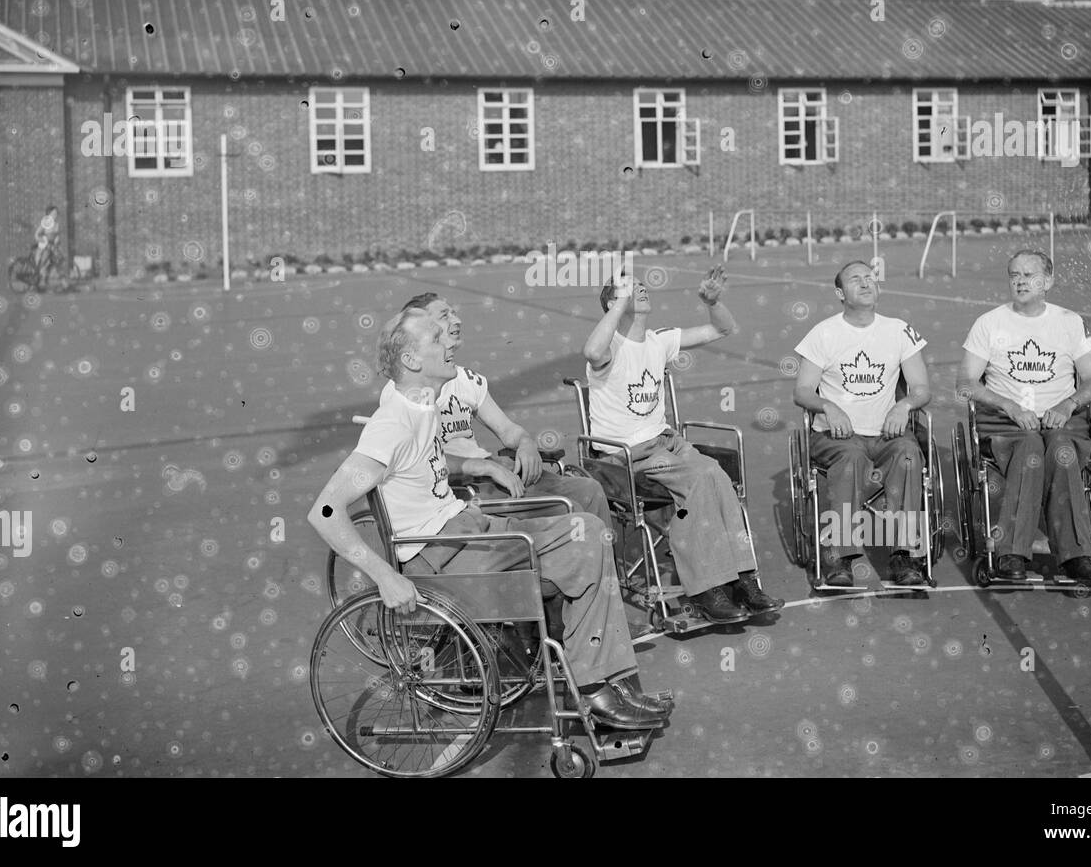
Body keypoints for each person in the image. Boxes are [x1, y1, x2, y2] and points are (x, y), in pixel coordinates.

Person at [308, 307, 672, 730]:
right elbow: (325, 510)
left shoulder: (420, 404)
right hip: (442, 553)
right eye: (435, 338)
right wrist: (385, 577)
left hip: (465, 529)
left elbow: (417, 462)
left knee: (587, 531)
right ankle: (596, 689)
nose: (449, 342)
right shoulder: (391, 424)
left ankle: (602, 680)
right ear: (411, 360)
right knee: (582, 544)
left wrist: (477, 466)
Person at [583, 267, 783, 623]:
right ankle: (706, 588)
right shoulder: (610, 345)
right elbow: (591, 349)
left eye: (641, 285)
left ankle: (742, 579)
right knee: (702, 476)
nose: (640, 289)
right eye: (629, 288)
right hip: (626, 455)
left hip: (666, 443)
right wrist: (617, 306)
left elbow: (722, 328)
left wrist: (713, 302)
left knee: (718, 476)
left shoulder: (659, 340)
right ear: (614, 301)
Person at [396, 292, 612, 527]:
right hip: (463, 487)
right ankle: (573, 553)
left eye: (454, 313)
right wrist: (486, 467)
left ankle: (607, 562)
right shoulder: (410, 386)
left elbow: (507, 430)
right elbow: (420, 459)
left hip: (493, 473)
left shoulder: (467, 379)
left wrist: (526, 444)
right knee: (572, 511)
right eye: (444, 315)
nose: (456, 320)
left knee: (589, 489)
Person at [957, 249, 1091, 583]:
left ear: (1047, 281)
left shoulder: (1069, 322)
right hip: (1008, 422)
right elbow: (965, 384)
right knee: (1030, 450)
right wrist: (1009, 406)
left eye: (1029, 275)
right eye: (1014, 275)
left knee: (1062, 452)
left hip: (1061, 418)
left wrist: (1068, 405)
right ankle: (1011, 552)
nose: (1020, 281)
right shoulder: (989, 323)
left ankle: (1077, 555)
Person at [792, 260, 932, 587]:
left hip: (886, 434)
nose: (866, 283)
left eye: (870, 277)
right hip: (837, 436)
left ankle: (905, 554)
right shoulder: (823, 333)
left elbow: (922, 389)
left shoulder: (899, 330)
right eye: (856, 280)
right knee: (852, 458)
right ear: (840, 293)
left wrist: (905, 405)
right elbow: (801, 391)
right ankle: (839, 555)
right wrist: (828, 406)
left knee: (910, 455)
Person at [33, 205, 61, 290]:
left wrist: (57, 240)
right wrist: (43, 240)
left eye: (56, 213)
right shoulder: (45, 223)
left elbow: (57, 236)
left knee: (52, 264)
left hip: (52, 248)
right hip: (44, 248)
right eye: (54, 213)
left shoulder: (57, 224)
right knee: (43, 265)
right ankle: (38, 284)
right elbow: (37, 235)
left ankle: (44, 282)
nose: (55, 215)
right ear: (49, 214)